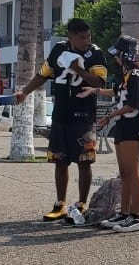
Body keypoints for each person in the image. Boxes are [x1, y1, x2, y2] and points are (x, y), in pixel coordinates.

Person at [13, 18, 108, 221]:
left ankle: (82, 203)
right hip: (61, 114)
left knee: (84, 160)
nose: (86, 40)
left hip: (83, 115)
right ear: (70, 37)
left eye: (88, 36)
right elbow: (43, 75)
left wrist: (79, 69)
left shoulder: (95, 54)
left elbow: (99, 82)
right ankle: (60, 204)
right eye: (81, 37)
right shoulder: (58, 49)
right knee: (60, 160)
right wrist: (25, 92)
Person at [92, 35, 139, 233]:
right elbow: (120, 94)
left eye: (118, 55)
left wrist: (109, 116)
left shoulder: (136, 73)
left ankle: (135, 217)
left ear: (124, 55)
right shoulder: (126, 74)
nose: (116, 58)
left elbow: (132, 104)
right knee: (124, 172)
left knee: (133, 171)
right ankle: (124, 212)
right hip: (122, 125)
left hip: (133, 125)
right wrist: (95, 91)